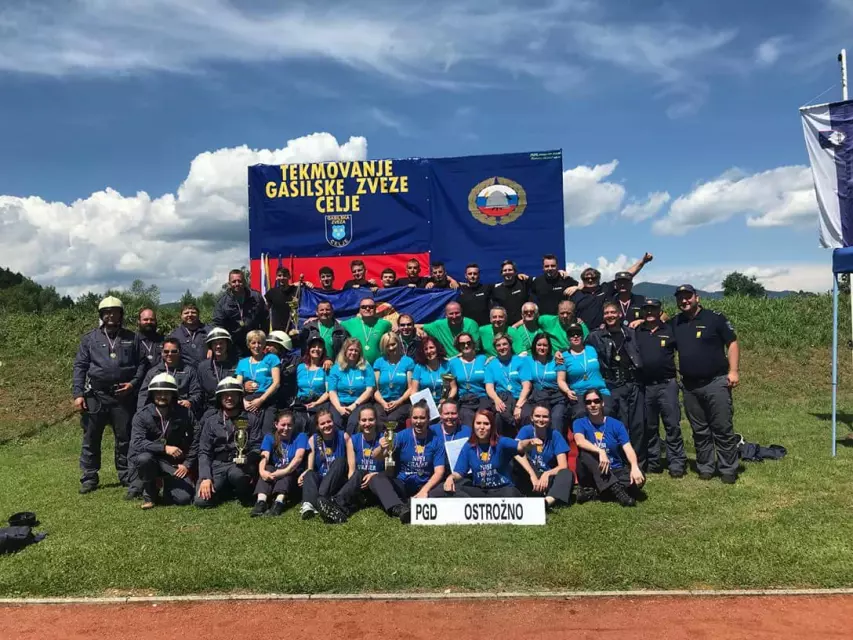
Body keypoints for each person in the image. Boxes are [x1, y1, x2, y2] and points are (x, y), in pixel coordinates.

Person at [72, 296, 148, 495]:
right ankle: (89, 477)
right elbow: (80, 366)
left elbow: (142, 364)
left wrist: (132, 384)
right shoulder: (90, 339)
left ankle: (125, 474)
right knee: (91, 437)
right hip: (95, 395)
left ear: (121, 315)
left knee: (124, 437)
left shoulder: (133, 338)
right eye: (107, 312)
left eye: (115, 312)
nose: (111, 316)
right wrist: (78, 394)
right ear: (101, 315)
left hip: (123, 395)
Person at [671, 284, 740, 483]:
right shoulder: (676, 322)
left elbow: (732, 343)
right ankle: (706, 466)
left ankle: (728, 469)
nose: (684, 301)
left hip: (715, 382)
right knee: (699, 430)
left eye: (688, 296)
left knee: (722, 427)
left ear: (697, 297)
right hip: (690, 386)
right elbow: (658, 323)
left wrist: (733, 371)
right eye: (680, 298)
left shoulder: (715, 318)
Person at [587, 302, 646, 468]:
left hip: (634, 383)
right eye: (606, 313)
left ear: (620, 314)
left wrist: (642, 321)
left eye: (613, 312)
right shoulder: (595, 336)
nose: (610, 315)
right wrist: (560, 353)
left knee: (638, 424)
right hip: (612, 384)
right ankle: (620, 461)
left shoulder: (631, 333)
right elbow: (577, 347)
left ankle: (638, 463)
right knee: (619, 424)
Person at [128, 373, 198, 509]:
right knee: (144, 458)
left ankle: (167, 485)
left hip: (174, 463)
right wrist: (164, 448)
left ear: (173, 395)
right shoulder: (142, 415)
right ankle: (150, 494)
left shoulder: (185, 413)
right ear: (152, 394)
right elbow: (137, 442)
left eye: (166, 393)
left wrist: (187, 464)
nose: (162, 396)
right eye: (158, 393)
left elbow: (196, 438)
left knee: (184, 499)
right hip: (151, 460)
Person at [369, 402, 447, 523]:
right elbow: (376, 456)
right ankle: (399, 508)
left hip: (426, 484)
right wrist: (381, 447)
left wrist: (424, 490)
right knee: (376, 479)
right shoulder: (402, 435)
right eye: (415, 418)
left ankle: (411, 502)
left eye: (422, 418)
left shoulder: (437, 440)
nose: (418, 421)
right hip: (403, 484)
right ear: (410, 419)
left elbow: (439, 471)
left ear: (428, 419)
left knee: (445, 488)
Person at [635, 298, 686, 478]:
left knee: (672, 425)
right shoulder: (637, 331)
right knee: (650, 426)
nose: (649, 312)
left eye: (653, 309)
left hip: (667, 384)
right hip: (646, 386)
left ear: (660, 311)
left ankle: (676, 462)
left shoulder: (669, 330)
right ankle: (653, 461)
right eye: (646, 309)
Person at [194, 377, 263, 508]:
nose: (229, 398)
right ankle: (225, 490)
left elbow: (257, 446)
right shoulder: (211, 422)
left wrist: (247, 459)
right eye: (225, 395)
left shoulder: (251, 419)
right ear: (219, 398)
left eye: (233, 395)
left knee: (240, 478)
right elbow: (204, 452)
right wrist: (205, 477)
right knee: (201, 501)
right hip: (217, 465)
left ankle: (242, 489)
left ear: (240, 397)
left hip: (240, 466)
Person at [444, 409, 541, 497]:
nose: (482, 427)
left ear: (492, 427)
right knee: (457, 490)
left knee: (511, 493)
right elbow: (459, 472)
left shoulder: (501, 442)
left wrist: (530, 442)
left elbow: (520, 445)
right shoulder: (469, 446)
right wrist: (450, 478)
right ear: (473, 425)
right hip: (481, 490)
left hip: (502, 489)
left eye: (486, 424)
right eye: (478, 423)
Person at [573, 389, 645, 507]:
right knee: (584, 453)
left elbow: (628, 448)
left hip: (614, 469)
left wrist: (634, 466)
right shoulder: (579, 422)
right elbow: (580, 441)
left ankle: (597, 493)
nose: (593, 405)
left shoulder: (616, 424)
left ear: (602, 403)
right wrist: (600, 451)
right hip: (592, 471)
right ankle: (617, 490)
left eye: (596, 401)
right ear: (585, 406)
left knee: (640, 476)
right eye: (588, 402)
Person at [315, 405, 385, 524]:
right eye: (364, 420)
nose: (367, 423)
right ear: (359, 421)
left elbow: (391, 472)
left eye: (371, 420)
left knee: (361, 472)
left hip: (375, 484)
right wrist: (353, 486)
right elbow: (351, 471)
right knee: (344, 463)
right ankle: (327, 502)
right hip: (357, 484)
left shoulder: (385, 439)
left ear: (376, 420)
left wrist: (374, 474)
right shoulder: (353, 439)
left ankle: (336, 503)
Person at [569, 254, 652, 330]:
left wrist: (642, 261)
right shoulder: (575, 294)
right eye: (586, 278)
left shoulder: (606, 288)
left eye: (593, 278)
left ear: (599, 279)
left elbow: (628, 274)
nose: (590, 280)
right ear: (582, 279)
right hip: (582, 334)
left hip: (602, 333)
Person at [298, 409, 355, 519]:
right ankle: (309, 505)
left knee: (340, 461)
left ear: (333, 422)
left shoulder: (344, 436)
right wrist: (305, 474)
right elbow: (310, 468)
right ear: (318, 426)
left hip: (337, 480)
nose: (326, 425)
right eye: (322, 423)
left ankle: (320, 498)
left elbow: (351, 466)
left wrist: (351, 478)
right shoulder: (313, 439)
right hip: (322, 478)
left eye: (329, 421)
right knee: (310, 473)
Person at [514, 404, 574, 509]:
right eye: (537, 416)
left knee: (567, 473)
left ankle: (546, 502)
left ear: (550, 419)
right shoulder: (526, 430)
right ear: (532, 418)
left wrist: (547, 474)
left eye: (545, 417)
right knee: (514, 460)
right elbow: (515, 449)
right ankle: (526, 496)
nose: (541, 420)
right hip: (530, 475)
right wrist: (532, 474)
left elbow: (563, 465)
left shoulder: (555, 435)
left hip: (546, 479)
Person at [250, 410, 308, 517]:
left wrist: (284, 471)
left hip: (293, 474)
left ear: (294, 425)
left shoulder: (301, 436)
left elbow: (298, 458)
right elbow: (264, 456)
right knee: (268, 467)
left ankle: (279, 501)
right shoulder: (269, 437)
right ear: (276, 424)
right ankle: (261, 502)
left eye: (289, 425)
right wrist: (262, 471)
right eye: (283, 425)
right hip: (275, 473)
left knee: (288, 467)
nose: (286, 428)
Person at [136, 339, 202, 416]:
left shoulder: (190, 371)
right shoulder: (153, 372)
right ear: (162, 352)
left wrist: (190, 402)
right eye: (166, 351)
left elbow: (197, 393)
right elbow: (143, 395)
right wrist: (141, 413)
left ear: (180, 352)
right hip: (159, 411)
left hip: (182, 412)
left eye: (174, 351)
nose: (170, 354)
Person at [559, 322, 610, 420]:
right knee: (580, 414)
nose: (575, 336)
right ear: (568, 338)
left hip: (600, 390)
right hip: (579, 393)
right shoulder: (563, 356)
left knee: (607, 411)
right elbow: (561, 380)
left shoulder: (592, 349)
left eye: (578, 333)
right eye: (571, 334)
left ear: (582, 335)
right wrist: (567, 391)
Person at [484, 333, 532, 437]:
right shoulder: (491, 365)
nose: (502, 347)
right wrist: (496, 400)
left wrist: (519, 406)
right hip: (502, 398)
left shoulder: (521, 361)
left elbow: (527, 386)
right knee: (498, 417)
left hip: (520, 398)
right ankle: (501, 443)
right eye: (498, 345)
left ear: (510, 345)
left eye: (505, 344)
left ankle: (528, 442)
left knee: (526, 415)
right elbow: (489, 387)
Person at [212, 269, 268, 357]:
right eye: (234, 281)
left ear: (244, 282)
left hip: (254, 343)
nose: (237, 284)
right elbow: (218, 324)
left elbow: (265, 319)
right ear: (229, 283)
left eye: (240, 281)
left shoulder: (256, 297)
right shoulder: (222, 302)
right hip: (233, 345)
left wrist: (265, 339)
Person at [234, 330, 281, 436]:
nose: (257, 346)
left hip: (267, 400)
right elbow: (237, 385)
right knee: (245, 433)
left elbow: (276, 383)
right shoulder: (242, 362)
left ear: (264, 344)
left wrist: (261, 400)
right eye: (253, 343)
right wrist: (242, 401)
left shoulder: (271, 358)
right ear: (248, 345)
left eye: (260, 343)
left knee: (267, 433)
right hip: (248, 402)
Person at [521, 333, 569, 433]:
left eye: (545, 345)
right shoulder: (528, 360)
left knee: (556, 417)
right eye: (539, 345)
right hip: (537, 396)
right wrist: (491, 358)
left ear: (549, 347)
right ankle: (530, 440)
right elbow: (509, 358)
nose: (542, 348)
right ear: (534, 346)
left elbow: (569, 349)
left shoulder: (557, 360)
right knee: (526, 414)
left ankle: (556, 442)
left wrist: (560, 351)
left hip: (555, 396)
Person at [327, 338, 375, 433]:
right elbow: (332, 391)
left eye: (356, 350)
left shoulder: (366, 367)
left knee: (353, 422)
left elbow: (369, 390)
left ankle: (351, 442)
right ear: (345, 351)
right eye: (351, 350)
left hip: (360, 403)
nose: (353, 353)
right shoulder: (336, 368)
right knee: (335, 421)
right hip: (339, 402)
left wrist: (354, 405)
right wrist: (339, 408)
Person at [373, 332, 415, 428]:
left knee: (392, 419)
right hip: (382, 401)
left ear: (398, 343)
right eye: (387, 346)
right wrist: (383, 403)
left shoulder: (408, 361)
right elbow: (375, 389)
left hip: (402, 402)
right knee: (379, 418)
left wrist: (398, 402)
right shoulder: (379, 362)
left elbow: (411, 387)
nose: (391, 348)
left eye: (393, 344)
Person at [448, 332, 489, 426]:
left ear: (473, 344)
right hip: (464, 399)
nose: (466, 346)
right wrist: (447, 400)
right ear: (458, 346)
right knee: (466, 416)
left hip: (481, 397)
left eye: (468, 343)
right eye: (462, 344)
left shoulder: (483, 359)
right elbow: (453, 386)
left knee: (482, 418)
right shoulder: (453, 363)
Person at [292, 336, 330, 434]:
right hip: (302, 403)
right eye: (313, 346)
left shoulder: (326, 368)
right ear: (308, 349)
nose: (316, 349)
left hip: (319, 402)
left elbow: (328, 391)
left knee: (314, 423)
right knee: (298, 423)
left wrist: (316, 403)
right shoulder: (300, 367)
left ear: (323, 350)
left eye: (320, 347)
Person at [196, 327, 238, 415]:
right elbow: (199, 391)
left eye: (221, 343)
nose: (218, 346)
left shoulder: (238, 364)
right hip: (211, 410)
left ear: (227, 344)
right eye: (215, 343)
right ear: (211, 346)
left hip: (235, 409)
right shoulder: (203, 367)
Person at [340, 296, 391, 365]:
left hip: (378, 366)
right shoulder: (349, 324)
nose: (367, 309)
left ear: (375, 308)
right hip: (357, 366)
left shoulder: (385, 324)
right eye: (363, 307)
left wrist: (396, 326)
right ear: (359, 309)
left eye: (371, 307)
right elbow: (335, 323)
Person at [412, 336, 456, 405]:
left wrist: (447, 400)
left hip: (444, 404)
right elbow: (414, 391)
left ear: (437, 348)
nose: (429, 351)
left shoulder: (446, 366)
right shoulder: (419, 367)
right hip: (425, 405)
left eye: (431, 347)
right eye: (426, 349)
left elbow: (453, 388)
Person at [166, 303, 209, 368]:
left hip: (208, 370)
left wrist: (211, 349)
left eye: (193, 312)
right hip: (186, 372)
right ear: (181, 316)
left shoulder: (209, 331)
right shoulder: (174, 335)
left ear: (198, 315)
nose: (190, 315)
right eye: (186, 313)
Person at [265, 330, 300, 409]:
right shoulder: (263, 361)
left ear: (281, 346)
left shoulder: (295, 360)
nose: (267, 347)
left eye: (271, 345)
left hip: (289, 403)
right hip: (269, 402)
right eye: (267, 344)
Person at [490, 259, 532, 325]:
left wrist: (527, 277)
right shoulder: (496, 289)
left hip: (524, 324)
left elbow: (538, 282)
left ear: (515, 272)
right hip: (507, 326)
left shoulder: (523, 283)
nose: (507, 272)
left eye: (510, 270)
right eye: (505, 270)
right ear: (501, 273)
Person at [458, 263, 494, 327]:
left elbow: (503, 285)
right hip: (467, 327)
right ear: (465, 275)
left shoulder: (487, 288)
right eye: (470, 274)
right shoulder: (459, 290)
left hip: (484, 326)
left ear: (479, 275)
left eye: (475, 274)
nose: (472, 276)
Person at [265, 267, 300, 332]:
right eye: (279, 275)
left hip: (293, 328)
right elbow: (265, 309)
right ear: (276, 277)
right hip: (277, 330)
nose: (282, 278)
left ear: (289, 277)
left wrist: (306, 283)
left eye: (284, 275)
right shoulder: (272, 292)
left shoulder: (296, 290)